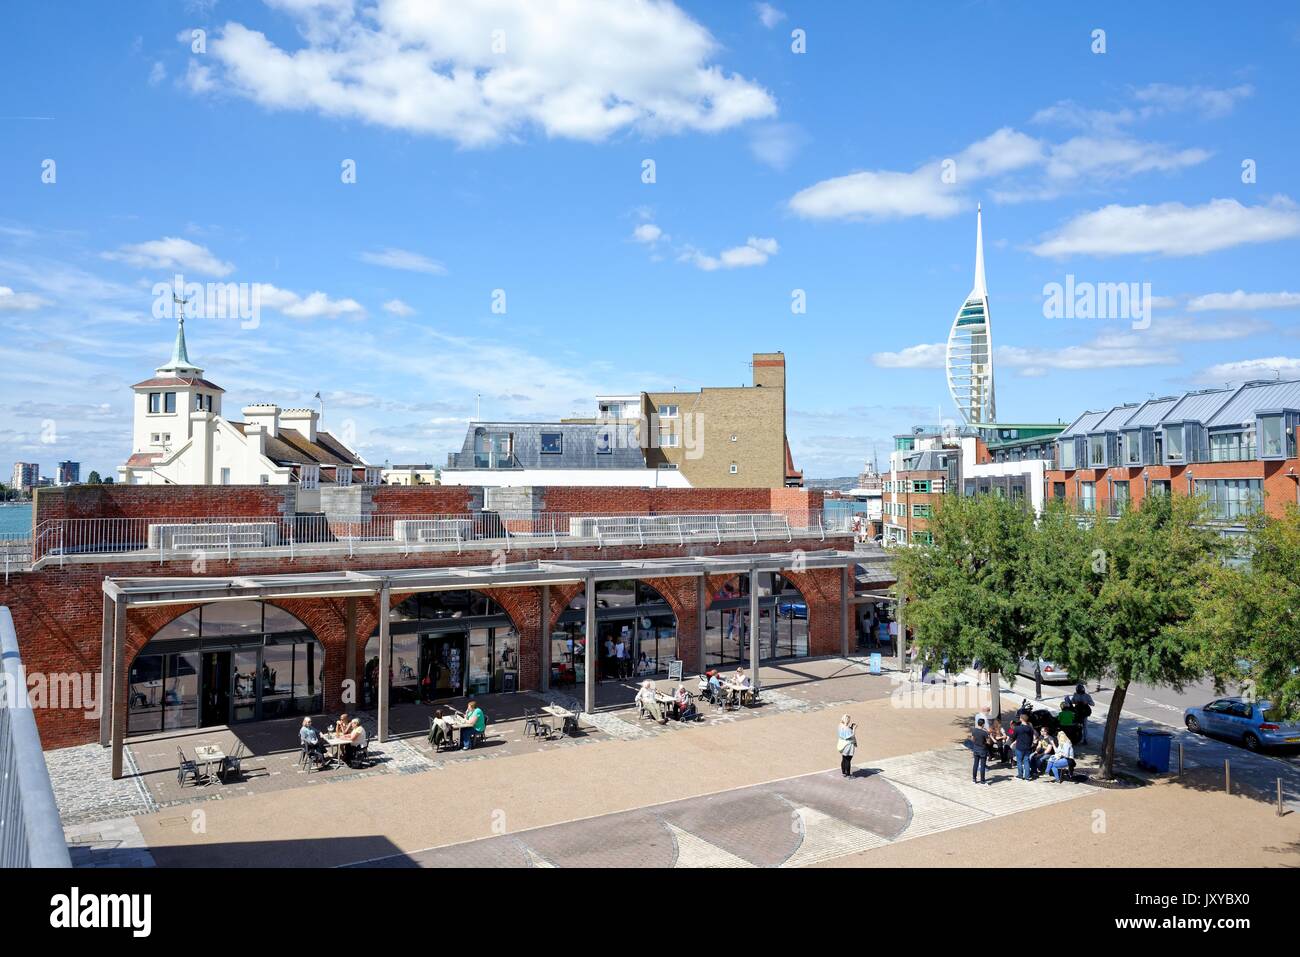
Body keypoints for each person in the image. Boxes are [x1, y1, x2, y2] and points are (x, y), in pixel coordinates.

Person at [1010, 713, 1036, 780]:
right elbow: (1031, 738)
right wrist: (1030, 745)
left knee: (1019, 761)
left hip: (1019, 747)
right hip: (1028, 747)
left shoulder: (1017, 728)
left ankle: (1020, 775)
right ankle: (1027, 776)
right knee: (1026, 761)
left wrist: (1014, 740)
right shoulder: (1030, 728)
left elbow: (1013, 737)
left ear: (1021, 719)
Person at [970, 717, 990, 785]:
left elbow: (972, 739)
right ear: (983, 724)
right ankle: (982, 780)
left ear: (978, 723)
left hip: (975, 749)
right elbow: (988, 742)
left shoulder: (974, 730)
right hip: (982, 750)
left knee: (975, 764)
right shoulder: (984, 733)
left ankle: (974, 779)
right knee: (982, 765)